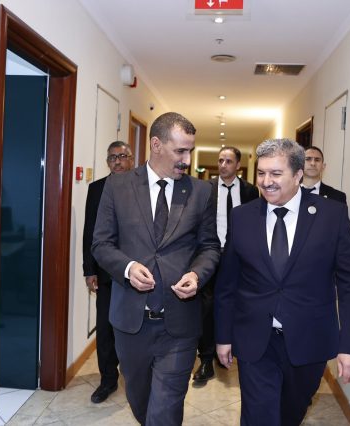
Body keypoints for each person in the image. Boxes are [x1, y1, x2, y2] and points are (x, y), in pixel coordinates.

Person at [215, 138, 350, 426]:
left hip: (309, 340)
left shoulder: (331, 215)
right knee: (259, 417)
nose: (266, 181)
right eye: (261, 173)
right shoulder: (242, 216)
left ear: (298, 175)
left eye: (276, 173)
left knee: (290, 414)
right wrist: (223, 336)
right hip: (255, 339)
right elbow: (227, 283)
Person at [92, 112, 221, 425]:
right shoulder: (117, 186)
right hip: (131, 323)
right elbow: (101, 244)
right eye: (180, 151)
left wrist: (196, 274)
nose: (187, 160)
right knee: (140, 402)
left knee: (165, 409)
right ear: (156, 145)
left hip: (179, 324)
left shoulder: (201, 192)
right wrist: (128, 267)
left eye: (190, 150)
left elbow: (209, 247)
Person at [193, 146, 259, 385]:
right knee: (207, 307)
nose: (223, 165)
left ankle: (228, 350)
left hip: (239, 258)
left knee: (235, 304)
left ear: (238, 165)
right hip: (211, 254)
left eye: (228, 161)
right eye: (220, 160)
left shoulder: (251, 191)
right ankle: (206, 359)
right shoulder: (205, 189)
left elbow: (256, 224)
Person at [82, 141, 134, 403]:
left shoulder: (143, 187)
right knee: (105, 328)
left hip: (136, 272)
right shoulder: (97, 189)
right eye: (112, 157)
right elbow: (89, 231)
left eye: (122, 156)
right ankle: (108, 380)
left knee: (134, 327)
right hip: (105, 272)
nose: (117, 161)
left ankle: (135, 376)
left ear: (131, 159)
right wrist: (89, 269)